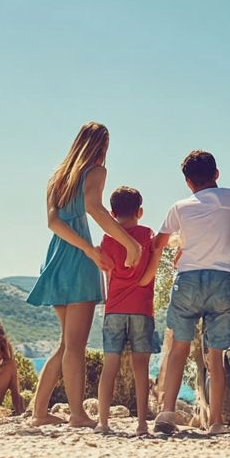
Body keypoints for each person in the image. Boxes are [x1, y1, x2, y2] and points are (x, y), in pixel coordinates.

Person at [27, 122, 143, 428]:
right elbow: (95, 208)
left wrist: (88, 249)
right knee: (75, 345)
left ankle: (39, 412)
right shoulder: (96, 172)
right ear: (102, 146)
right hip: (77, 262)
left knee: (66, 343)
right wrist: (125, 243)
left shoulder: (57, 178)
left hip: (55, 257)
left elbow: (53, 223)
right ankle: (77, 414)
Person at [147, 150, 230, 435]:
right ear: (217, 174)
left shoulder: (180, 207)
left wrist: (178, 240)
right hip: (221, 280)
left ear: (188, 182)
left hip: (187, 280)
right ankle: (215, 423)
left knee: (179, 349)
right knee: (216, 356)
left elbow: (158, 243)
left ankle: (166, 414)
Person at [95, 186, 159, 436]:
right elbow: (149, 270)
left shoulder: (107, 239)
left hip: (114, 309)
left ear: (111, 213)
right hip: (141, 308)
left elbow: (108, 271)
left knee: (109, 366)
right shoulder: (146, 234)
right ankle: (142, 424)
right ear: (140, 211)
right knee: (140, 369)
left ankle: (103, 422)